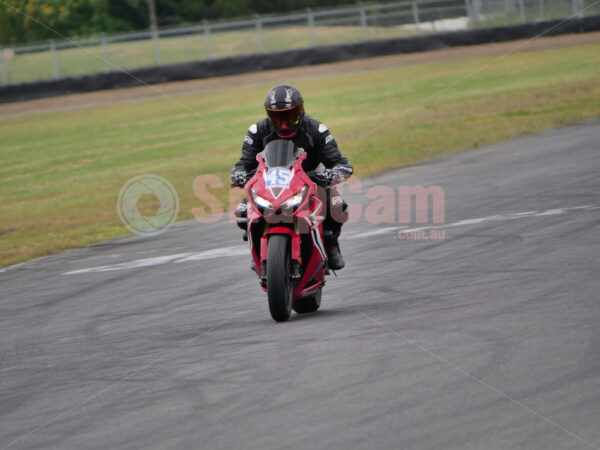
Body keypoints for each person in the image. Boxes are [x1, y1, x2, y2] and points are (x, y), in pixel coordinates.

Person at [230, 84, 353, 270]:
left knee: (336, 205)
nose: (284, 124)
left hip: (310, 180)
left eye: (289, 116)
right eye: (277, 118)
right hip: (270, 183)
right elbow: (244, 163)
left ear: (301, 110)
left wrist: (334, 173)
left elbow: (339, 162)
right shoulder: (257, 130)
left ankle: (331, 243)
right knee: (242, 212)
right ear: (268, 115)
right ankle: (259, 250)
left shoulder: (316, 129)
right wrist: (238, 174)